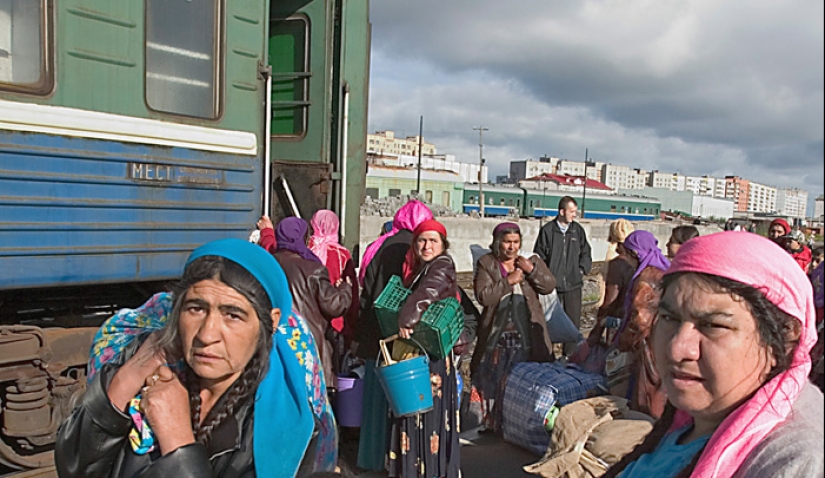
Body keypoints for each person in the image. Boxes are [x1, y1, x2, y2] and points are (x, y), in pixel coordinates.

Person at [56, 239, 337, 477]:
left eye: (232, 315)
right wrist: (131, 374)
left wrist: (178, 442)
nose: (207, 334)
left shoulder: (288, 425)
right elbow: (75, 467)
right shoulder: (143, 361)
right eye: (196, 308)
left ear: (271, 323)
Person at [604, 232, 824, 478]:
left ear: (784, 339)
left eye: (713, 326)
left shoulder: (791, 459)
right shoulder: (694, 419)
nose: (678, 349)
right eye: (669, 318)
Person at [354, 199, 432, 471]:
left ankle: (370, 459)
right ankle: (400, 461)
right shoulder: (417, 247)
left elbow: (367, 289)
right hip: (402, 333)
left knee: (374, 402)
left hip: (374, 332)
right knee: (403, 400)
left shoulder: (379, 244)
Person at [388, 219, 461, 478]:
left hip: (433, 356)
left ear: (443, 245)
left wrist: (407, 318)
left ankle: (426, 469)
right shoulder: (422, 267)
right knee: (421, 409)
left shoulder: (442, 264)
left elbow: (427, 293)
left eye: (433, 240)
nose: (427, 245)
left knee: (424, 412)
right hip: (425, 350)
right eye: (422, 240)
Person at [470, 222, 557, 432]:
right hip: (496, 338)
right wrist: (509, 281)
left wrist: (532, 270)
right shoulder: (487, 263)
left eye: (516, 242)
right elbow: (483, 296)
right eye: (507, 242)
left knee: (519, 383)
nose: (512, 247)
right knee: (492, 381)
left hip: (525, 337)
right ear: (498, 243)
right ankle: (492, 424)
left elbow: (548, 285)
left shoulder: (530, 260)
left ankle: (515, 423)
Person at [273, 217, 352, 391]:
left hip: (273, 340)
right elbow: (334, 306)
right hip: (306, 343)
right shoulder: (313, 269)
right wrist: (346, 289)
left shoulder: (268, 263)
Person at [615, 230, 671, 419]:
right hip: (665, 339)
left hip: (649, 345)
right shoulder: (666, 272)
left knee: (647, 392)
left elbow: (639, 320)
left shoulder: (645, 278)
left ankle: (645, 425)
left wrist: (622, 340)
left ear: (636, 254)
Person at [533, 196, 593, 356]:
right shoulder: (547, 231)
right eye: (572, 211)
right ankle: (548, 355)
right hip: (552, 288)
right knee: (548, 323)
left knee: (573, 324)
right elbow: (539, 257)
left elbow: (586, 253)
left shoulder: (577, 230)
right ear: (562, 211)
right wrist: (545, 279)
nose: (575, 215)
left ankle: (570, 356)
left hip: (574, 285)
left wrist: (582, 270)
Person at [308, 210, 360, 354]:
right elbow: (353, 294)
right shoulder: (342, 255)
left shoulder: (307, 251)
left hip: (309, 319)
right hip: (336, 321)